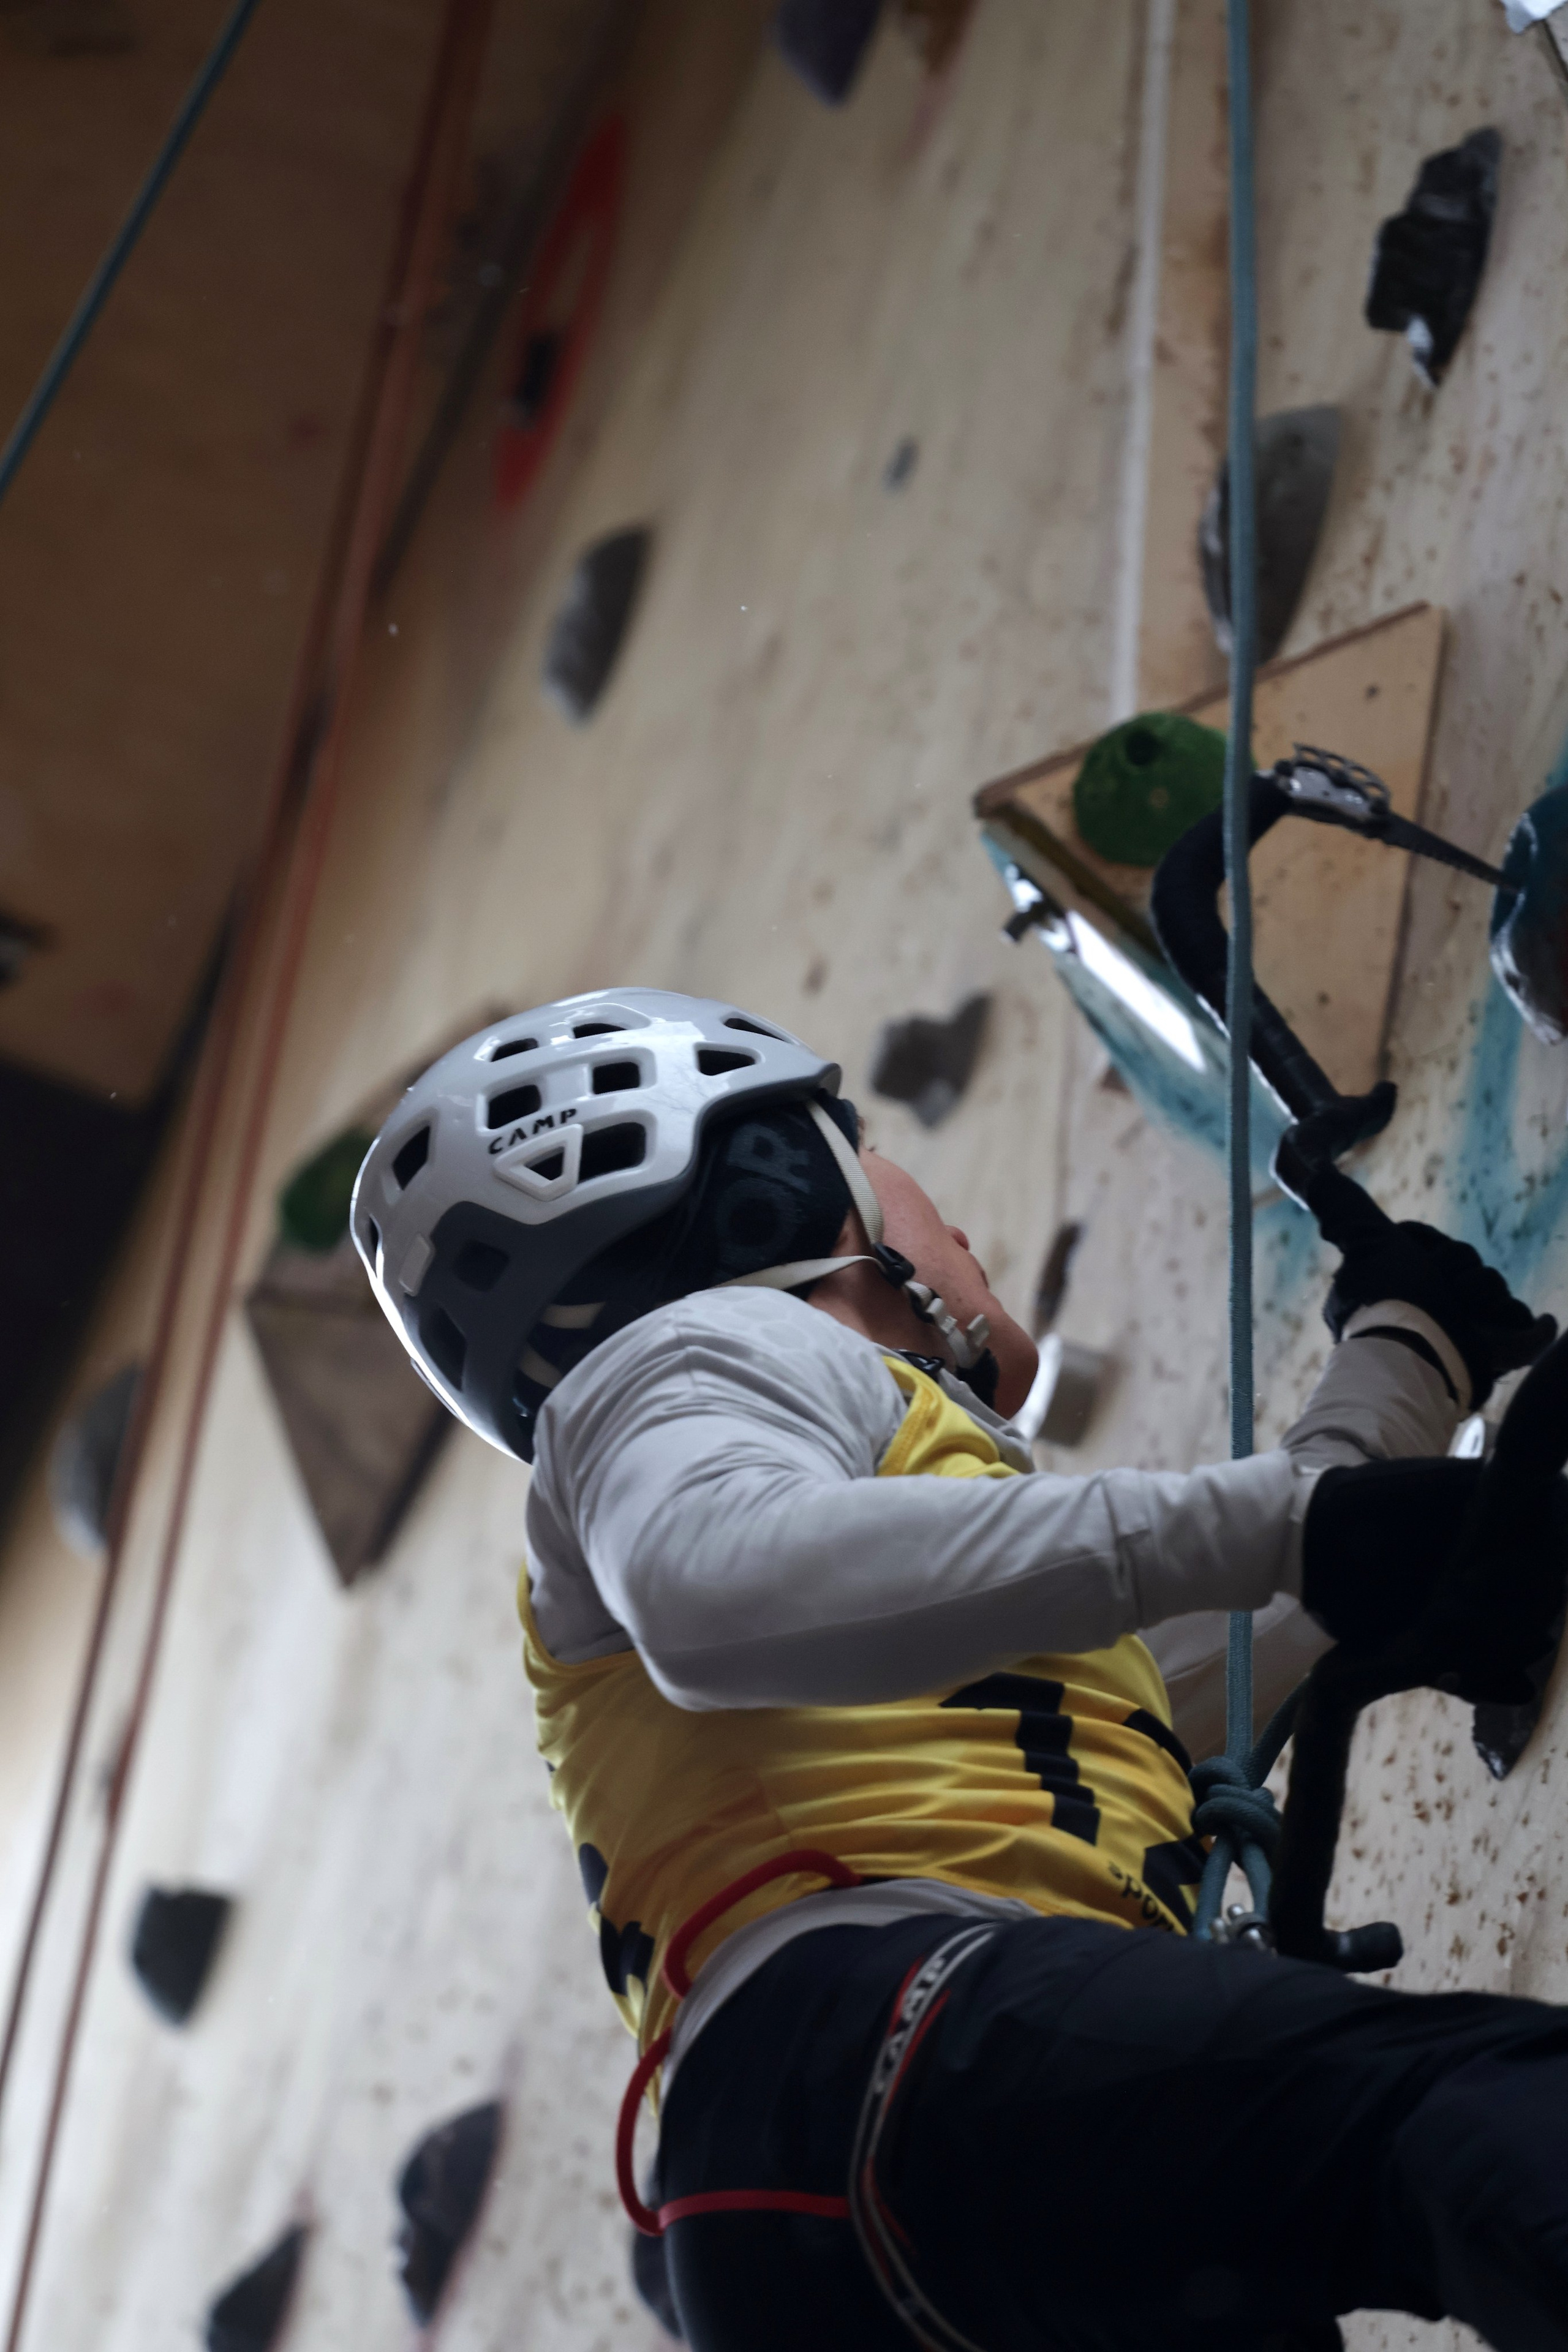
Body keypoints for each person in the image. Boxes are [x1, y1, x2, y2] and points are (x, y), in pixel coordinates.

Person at [353, 987, 1568, 2352]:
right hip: (890, 2051)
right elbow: (714, 1584)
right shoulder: (694, 1352)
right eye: (878, 1164)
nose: (963, 1230)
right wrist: (1295, 1520)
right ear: (773, 1190)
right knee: (1474, 2118)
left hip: (824, 2201)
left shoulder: (888, 1595)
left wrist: (1401, 1361)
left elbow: (1194, 1658)